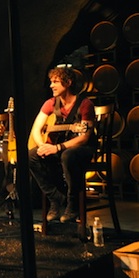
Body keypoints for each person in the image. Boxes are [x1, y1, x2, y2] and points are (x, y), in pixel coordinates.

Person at [28, 66, 96, 223]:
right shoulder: (51, 103)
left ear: (68, 82)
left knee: (68, 155)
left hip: (82, 149)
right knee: (31, 156)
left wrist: (57, 148)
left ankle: (73, 203)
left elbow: (84, 137)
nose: (51, 85)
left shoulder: (85, 104)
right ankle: (56, 197)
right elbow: (36, 129)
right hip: (58, 147)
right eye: (51, 82)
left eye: (56, 82)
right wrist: (42, 146)